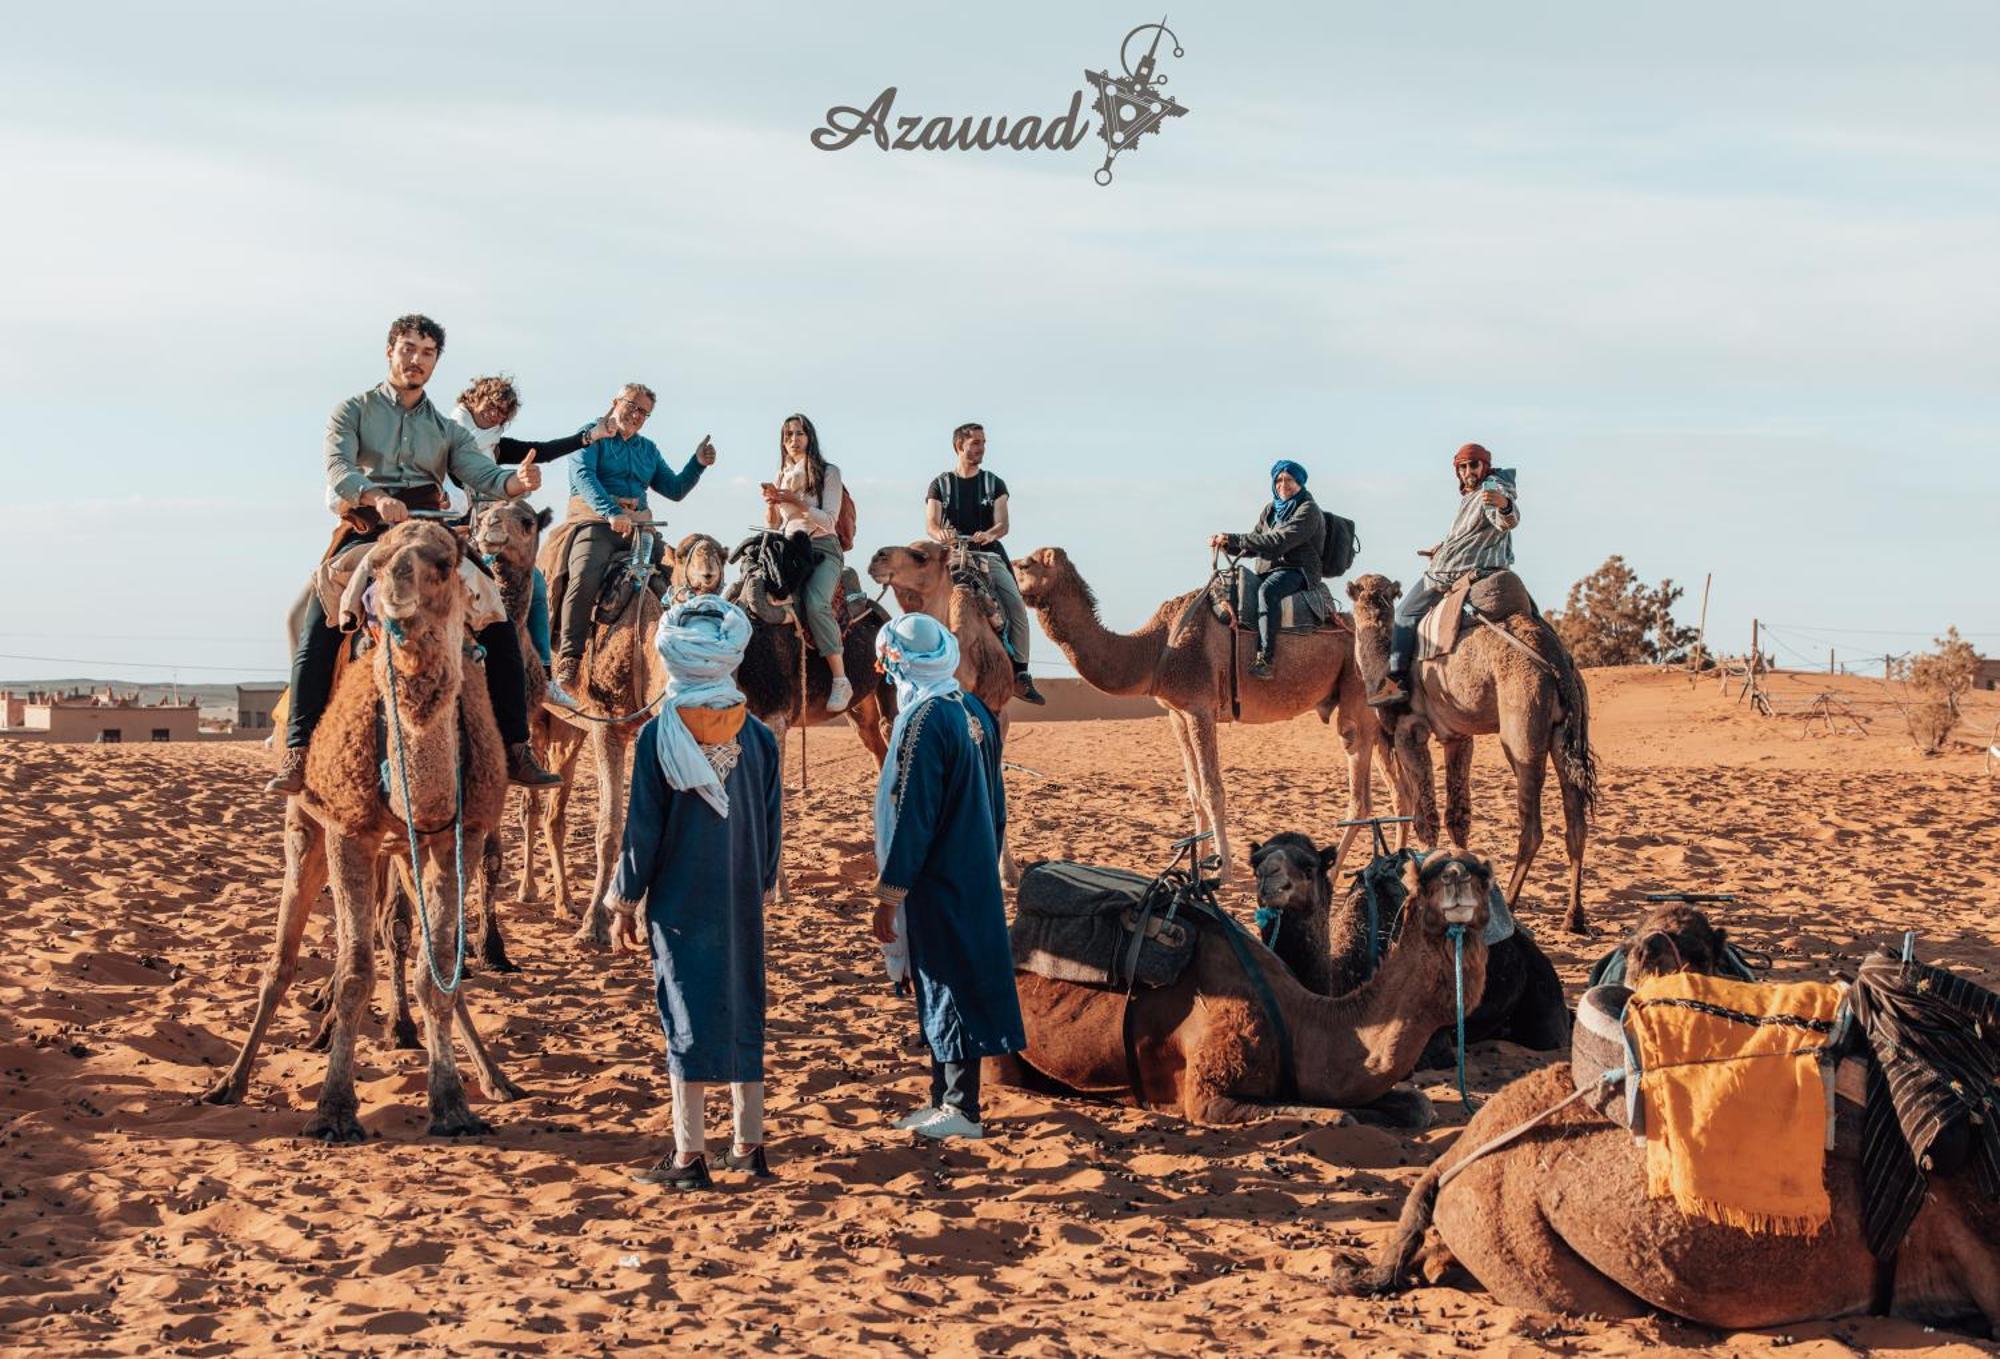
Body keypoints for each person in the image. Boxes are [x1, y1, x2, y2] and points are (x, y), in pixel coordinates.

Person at [269, 313, 561, 794]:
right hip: (368, 532)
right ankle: (298, 751)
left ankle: (515, 747)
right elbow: (338, 467)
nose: (416, 360)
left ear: (435, 362)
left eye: (427, 353)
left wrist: (515, 483)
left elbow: (481, 474)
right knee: (316, 624)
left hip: (432, 534)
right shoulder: (353, 411)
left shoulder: (447, 430)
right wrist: (373, 496)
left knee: (499, 621)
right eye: (408, 348)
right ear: (390, 351)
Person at [608, 598, 783, 1191]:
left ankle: (688, 1157)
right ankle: (749, 1145)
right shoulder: (758, 736)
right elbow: (770, 821)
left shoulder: (660, 735)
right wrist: (760, 880)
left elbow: (642, 829)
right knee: (742, 1002)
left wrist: (624, 900)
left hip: (682, 898)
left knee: (684, 1008)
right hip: (739, 892)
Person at [869, 612, 1027, 1141]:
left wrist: (891, 893)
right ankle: (943, 1099)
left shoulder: (922, 721)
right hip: (972, 864)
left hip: (941, 874)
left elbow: (914, 814)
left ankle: (962, 1107)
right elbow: (997, 803)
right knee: (943, 981)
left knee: (948, 981)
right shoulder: (972, 708)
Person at [552, 383, 717, 692]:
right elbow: (583, 476)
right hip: (597, 524)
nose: (637, 415)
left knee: (676, 580)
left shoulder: (648, 450)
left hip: (641, 530)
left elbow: (675, 489)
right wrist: (611, 511)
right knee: (584, 574)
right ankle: (570, 656)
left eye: (645, 412)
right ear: (616, 401)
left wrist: (697, 464)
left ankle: (689, 655)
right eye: (633, 406)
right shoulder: (591, 435)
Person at [449, 374, 610, 685]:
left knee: (533, 582)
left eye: (503, 411)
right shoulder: (444, 435)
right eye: (492, 405)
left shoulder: (493, 447)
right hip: (446, 533)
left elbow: (543, 450)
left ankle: (544, 675)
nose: (495, 414)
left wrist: (588, 438)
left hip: (484, 538)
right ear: (472, 399)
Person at [1368, 442, 1521, 710]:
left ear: (1484, 465)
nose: (1467, 471)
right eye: (1462, 467)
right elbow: (1469, 535)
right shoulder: (1470, 497)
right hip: (1479, 565)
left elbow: (1505, 521)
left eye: (1473, 465)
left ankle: (1397, 683)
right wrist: (1441, 548)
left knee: (1404, 612)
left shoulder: (1490, 489)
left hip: (1453, 573)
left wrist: (1505, 505)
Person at [924, 423, 1044, 705]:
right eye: (975, 443)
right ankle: (919, 661)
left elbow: (1002, 523)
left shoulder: (994, 483)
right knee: (924, 601)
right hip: (953, 554)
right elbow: (931, 522)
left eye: (983, 442)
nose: (981, 448)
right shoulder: (940, 485)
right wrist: (939, 533)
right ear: (959, 446)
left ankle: (1021, 673)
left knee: (1016, 608)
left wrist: (989, 534)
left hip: (988, 554)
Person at [760, 413, 852, 713]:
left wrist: (799, 503)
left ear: (809, 437)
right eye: (787, 436)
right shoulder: (781, 474)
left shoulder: (828, 472)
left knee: (815, 603)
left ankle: (840, 679)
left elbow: (828, 521)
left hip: (822, 548)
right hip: (788, 548)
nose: (793, 440)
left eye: (799, 434)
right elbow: (773, 524)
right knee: (753, 593)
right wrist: (772, 504)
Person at [1209, 458, 1327, 680]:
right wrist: (1228, 544)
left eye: (1289, 479)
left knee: (1267, 592)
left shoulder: (1308, 510)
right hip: (1268, 568)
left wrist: (1235, 538)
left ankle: (1266, 658)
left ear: (1300, 483)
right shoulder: (1271, 510)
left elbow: (1278, 541)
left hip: (1297, 570)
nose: (1284, 484)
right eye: (1279, 480)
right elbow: (1256, 542)